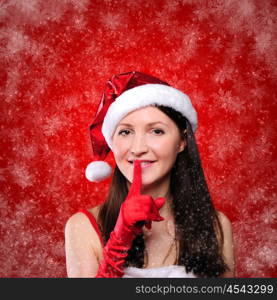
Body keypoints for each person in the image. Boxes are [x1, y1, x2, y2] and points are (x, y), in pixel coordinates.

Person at [64, 71, 236, 278]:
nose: (137, 149)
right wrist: (119, 242)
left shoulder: (216, 225)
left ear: (182, 141)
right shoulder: (82, 227)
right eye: (125, 132)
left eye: (156, 131)